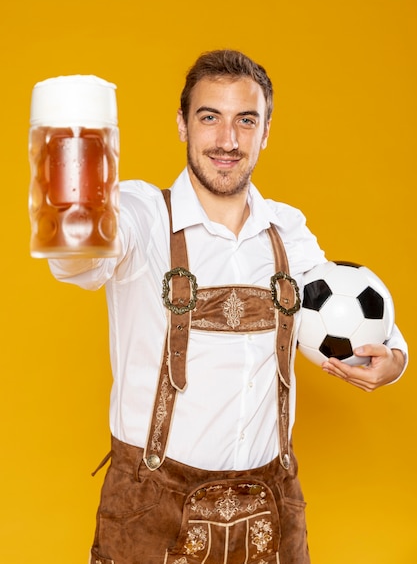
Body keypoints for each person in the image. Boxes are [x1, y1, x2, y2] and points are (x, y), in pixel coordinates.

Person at [48, 49, 407, 564]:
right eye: (209, 117)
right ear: (182, 125)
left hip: (272, 513)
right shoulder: (141, 214)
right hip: (150, 512)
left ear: (265, 132)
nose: (227, 140)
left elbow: (348, 311)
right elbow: (76, 261)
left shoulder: (288, 231)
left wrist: (395, 359)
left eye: (246, 120)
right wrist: (71, 179)